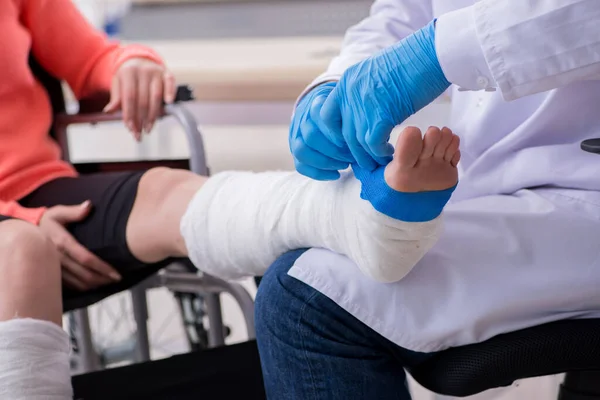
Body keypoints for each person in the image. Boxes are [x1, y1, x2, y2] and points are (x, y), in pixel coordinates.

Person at [0, 0, 462, 398]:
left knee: (166, 190)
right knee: (21, 250)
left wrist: (128, 65)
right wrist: (18, 219)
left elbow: (90, 59)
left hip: (41, 186)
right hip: (13, 228)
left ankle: (359, 221)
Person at [255, 0, 600, 398]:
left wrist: (437, 54)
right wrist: (334, 86)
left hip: (586, 189)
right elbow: (403, 13)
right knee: (294, 261)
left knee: (304, 303)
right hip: (504, 188)